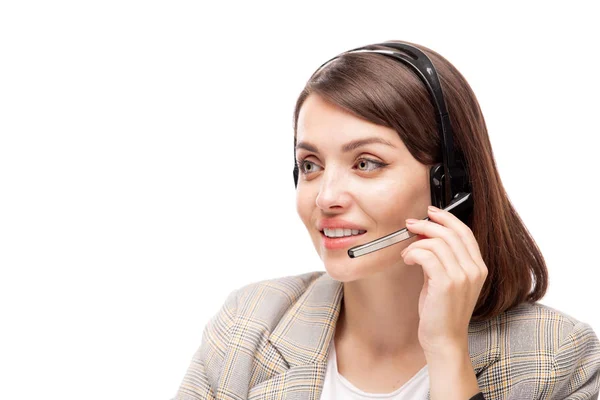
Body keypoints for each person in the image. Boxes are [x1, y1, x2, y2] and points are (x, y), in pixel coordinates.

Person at [172, 40, 600, 399]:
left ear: (449, 185)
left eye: (367, 163)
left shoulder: (560, 359)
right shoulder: (246, 325)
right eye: (309, 165)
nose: (326, 197)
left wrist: (448, 352)